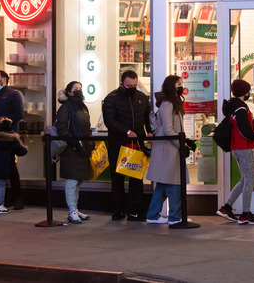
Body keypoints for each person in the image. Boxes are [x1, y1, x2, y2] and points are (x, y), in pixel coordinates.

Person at [102, 69, 152, 221]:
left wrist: (149, 132)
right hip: (118, 142)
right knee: (117, 178)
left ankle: (134, 210)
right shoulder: (111, 99)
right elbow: (110, 121)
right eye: (129, 86)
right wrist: (126, 132)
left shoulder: (142, 98)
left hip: (135, 143)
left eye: (135, 85)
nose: (132, 89)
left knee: (136, 177)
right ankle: (118, 210)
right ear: (122, 84)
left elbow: (146, 117)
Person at [215, 79, 254, 225]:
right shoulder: (240, 109)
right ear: (244, 92)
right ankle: (245, 214)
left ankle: (226, 208)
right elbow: (245, 130)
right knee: (250, 179)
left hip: (237, 147)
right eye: (248, 90)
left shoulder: (234, 106)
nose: (249, 93)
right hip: (243, 147)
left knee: (245, 179)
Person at [146, 75, 190, 224]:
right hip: (168, 149)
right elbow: (168, 129)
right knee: (173, 183)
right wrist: (181, 144)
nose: (181, 86)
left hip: (168, 148)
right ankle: (175, 217)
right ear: (172, 86)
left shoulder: (171, 103)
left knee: (163, 184)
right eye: (179, 84)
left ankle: (152, 215)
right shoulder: (168, 104)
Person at [0, 69, 25, 209]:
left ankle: (17, 197)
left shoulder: (14, 95)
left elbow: (19, 114)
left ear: (4, 80)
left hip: (8, 137)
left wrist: (3, 120)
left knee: (10, 166)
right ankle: (3, 198)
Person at [56, 80, 93, 224]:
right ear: (69, 92)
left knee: (78, 181)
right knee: (71, 181)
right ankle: (72, 211)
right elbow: (61, 127)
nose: (79, 90)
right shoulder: (66, 107)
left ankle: (75, 209)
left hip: (82, 148)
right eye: (76, 88)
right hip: (71, 149)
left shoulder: (83, 107)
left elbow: (87, 126)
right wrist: (74, 142)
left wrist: (89, 144)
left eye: (80, 88)